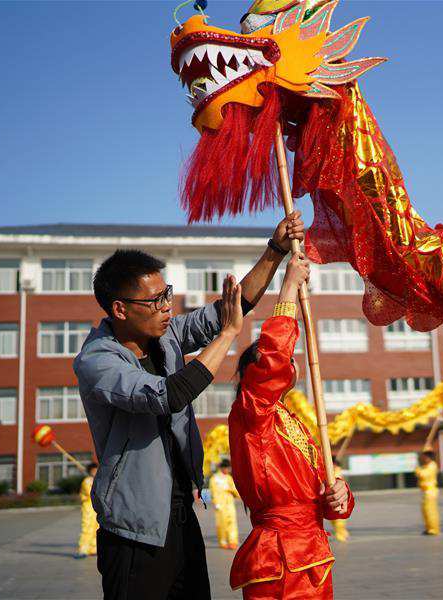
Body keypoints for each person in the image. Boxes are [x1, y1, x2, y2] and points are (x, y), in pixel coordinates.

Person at [73, 212, 304, 600]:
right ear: (119, 309)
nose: (167, 306)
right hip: (136, 527)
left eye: (167, 294)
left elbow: (230, 308)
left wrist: (275, 251)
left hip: (181, 514)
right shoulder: (98, 362)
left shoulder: (166, 338)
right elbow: (169, 394)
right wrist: (230, 333)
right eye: (155, 300)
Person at [228, 253, 355, 599]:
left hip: (313, 556)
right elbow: (273, 360)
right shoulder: (253, 413)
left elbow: (322, 497)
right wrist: (288, 289)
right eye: (280, 362)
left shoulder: (288, 420)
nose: (288, 365)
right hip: (280, 558)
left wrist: (339, 494)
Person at [209, 459, 240, 550]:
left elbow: (235, 491)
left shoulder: (229, 478)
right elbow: (213, 492)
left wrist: (231, 490)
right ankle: (222, 541)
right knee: (221, 523)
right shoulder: (214, 479)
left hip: (229, 503)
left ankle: (233, 541)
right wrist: (216, 503)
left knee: (232, 522)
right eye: (227, 468)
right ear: (222, 468)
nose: (228, 470)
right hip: (220, 504)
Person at [415, 450, 440, 536]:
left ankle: (433, 529)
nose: (424, 459)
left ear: (430, 458)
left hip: (430, 491)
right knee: (425, 511)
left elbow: (423, 475)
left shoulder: (432, 466)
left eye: (425, 457)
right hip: (425, 491)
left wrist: (418, 469)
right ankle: (429, 528)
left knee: (430, 511)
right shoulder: (427, 466)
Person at [77, 462, 99, 558]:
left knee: (96, 528)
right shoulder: (87, 481)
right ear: (90, 471)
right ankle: (82, 550)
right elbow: (90, 492)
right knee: (87, 528)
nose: (95, 472)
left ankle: (93, 549)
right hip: (88, 508)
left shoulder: (96, 480)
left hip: (96, 508)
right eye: (94, 471)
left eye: (96, 470)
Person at [329, 458, 350, 542]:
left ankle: (341, 534)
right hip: (332, 497)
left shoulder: (336, 471)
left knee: (339, 519)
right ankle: (341, 534)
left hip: (337, 496)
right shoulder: (332, 470)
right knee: (336, 519)